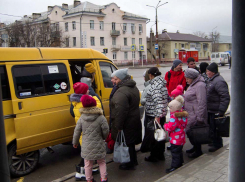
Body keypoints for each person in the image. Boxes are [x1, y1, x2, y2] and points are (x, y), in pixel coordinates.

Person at [110, 68, 142, 170]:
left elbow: (120, 111)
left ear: (120, 79)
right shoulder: (132, 87)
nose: (112, 80)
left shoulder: (122, 91)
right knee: (130, 142)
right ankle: (133, 160)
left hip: (126, 122)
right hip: (133, 119)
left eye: (115, 79)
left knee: (126, 142)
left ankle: (129, 163)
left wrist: (118, 126)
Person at [73, 95, 109, 182]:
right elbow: (106, 130)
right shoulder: (100, 117)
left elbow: (77, 131)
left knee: (88, 164)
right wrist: (104, 137)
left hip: (86, 145)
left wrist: (75, 142)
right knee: (101, 162)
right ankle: (103, 178)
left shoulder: (81, 118)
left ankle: (89, 179)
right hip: (99, 143)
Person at [70, 82, 101, 181]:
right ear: (84, 91)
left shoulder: (75, 102)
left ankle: (89, 169)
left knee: (88, 153)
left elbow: (72, 113)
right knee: (87, 155)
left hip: (83, 132)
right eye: (87, 89)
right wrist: (94, 98)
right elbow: (98, 109)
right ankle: (80, 172)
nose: (89, 90)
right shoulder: (86, 102)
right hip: (88, 133)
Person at [143, 67, 168, 162]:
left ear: (150, 75)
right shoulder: (161, 83)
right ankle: (160, 154)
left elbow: (158, 102)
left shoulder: (155, 85)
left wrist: (157, 117)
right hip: (160, 114)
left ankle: (154, 156)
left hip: (154, 115)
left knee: (155, 136)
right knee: (160, 134)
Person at [206, 63, 230, 152]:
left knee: (216, 128)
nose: (207, 73)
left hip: (216, 110)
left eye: (208, 71)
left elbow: (225, 97)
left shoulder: (219, 81)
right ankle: (214, 143)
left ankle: (218, 145)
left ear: (213, 72)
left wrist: (221, 111)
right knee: (213, 128)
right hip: (211, 109)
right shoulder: (212, 80)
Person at [184, 68, 208, 158]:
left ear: (192, 77)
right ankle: (195, 147)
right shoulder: (193, 84)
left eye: (187, 78)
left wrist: (200, 117)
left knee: (195, 132)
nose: (186, 80)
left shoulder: (200, 85)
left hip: (196, 114)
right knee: (191, 132)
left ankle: (198, 151)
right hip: (191, 113)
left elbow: (202, 102)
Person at [164, 95, 188, 173]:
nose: (169, 109)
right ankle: (180, 162)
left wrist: (165, 125)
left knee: (175, 153)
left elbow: (170, 127)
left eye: (170, 108)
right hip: (181, 138)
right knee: (179, 151)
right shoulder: (182, 115)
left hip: (175, 139)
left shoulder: (174, 117)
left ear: (174, 108)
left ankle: (175, 166)